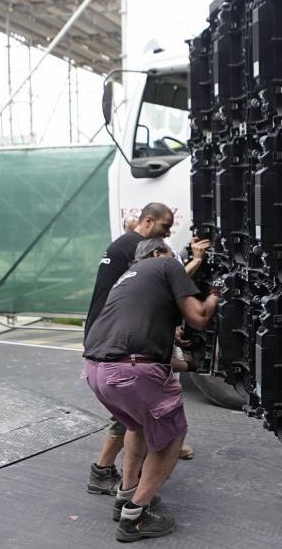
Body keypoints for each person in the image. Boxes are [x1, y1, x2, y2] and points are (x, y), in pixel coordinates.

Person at [83, 238, 220, 541]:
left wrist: (187, 359)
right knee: (172, 437)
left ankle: (126, 495)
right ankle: (136, 516)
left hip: (95, 370)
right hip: (129, 371)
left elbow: (141, 340)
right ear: (159, 252)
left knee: (138, 426)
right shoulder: (165, 263)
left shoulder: (127, 279)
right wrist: (216, 293)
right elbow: (199, 317)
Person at [85, 203, 174, 496]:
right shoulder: (140, 249)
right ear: (148, 221)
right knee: (128, 416)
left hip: (106, 337)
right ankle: (105, 472)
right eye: (164, 226)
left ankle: (114, 471)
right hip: (115, 343)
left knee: (132, 414)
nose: (168, 233)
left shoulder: (123, 244)